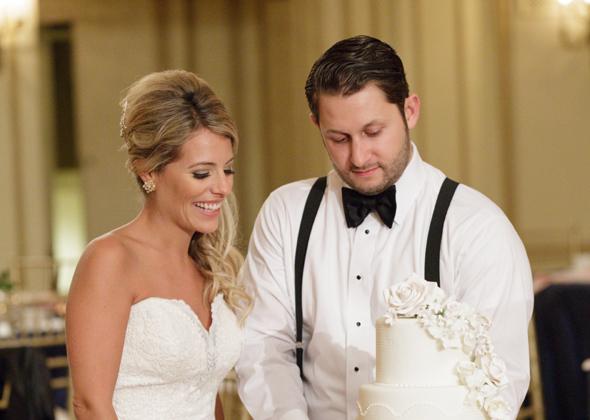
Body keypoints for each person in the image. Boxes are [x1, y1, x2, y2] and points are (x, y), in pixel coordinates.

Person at [235, 35, 533, 420]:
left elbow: (496, 384)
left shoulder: (476, 229)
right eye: (338, 138)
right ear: (316, 124)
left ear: (410, 110)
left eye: (373, 132)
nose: (359, 157)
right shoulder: (286, 214)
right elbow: (263, 347)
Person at [66, 69, 252, 420]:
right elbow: (90, 405)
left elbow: (204, 390)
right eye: (202, 173)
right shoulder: (110, 260)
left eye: (228, 170)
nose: (222, 188)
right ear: (148, 171)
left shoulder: (211, 264)